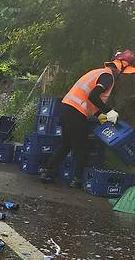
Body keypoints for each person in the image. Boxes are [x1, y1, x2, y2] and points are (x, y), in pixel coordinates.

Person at [41, 50, 135, 188]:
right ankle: (77, 180)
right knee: (82, 147)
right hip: (76, 113)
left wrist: (99, 115)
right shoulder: (108, 77)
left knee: (66, 144)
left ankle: (47, 171)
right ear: (123, 65)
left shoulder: (98, 72)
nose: (123, 75)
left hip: (66, 108)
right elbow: (93, 96)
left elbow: (88, 99)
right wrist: (109, 111)